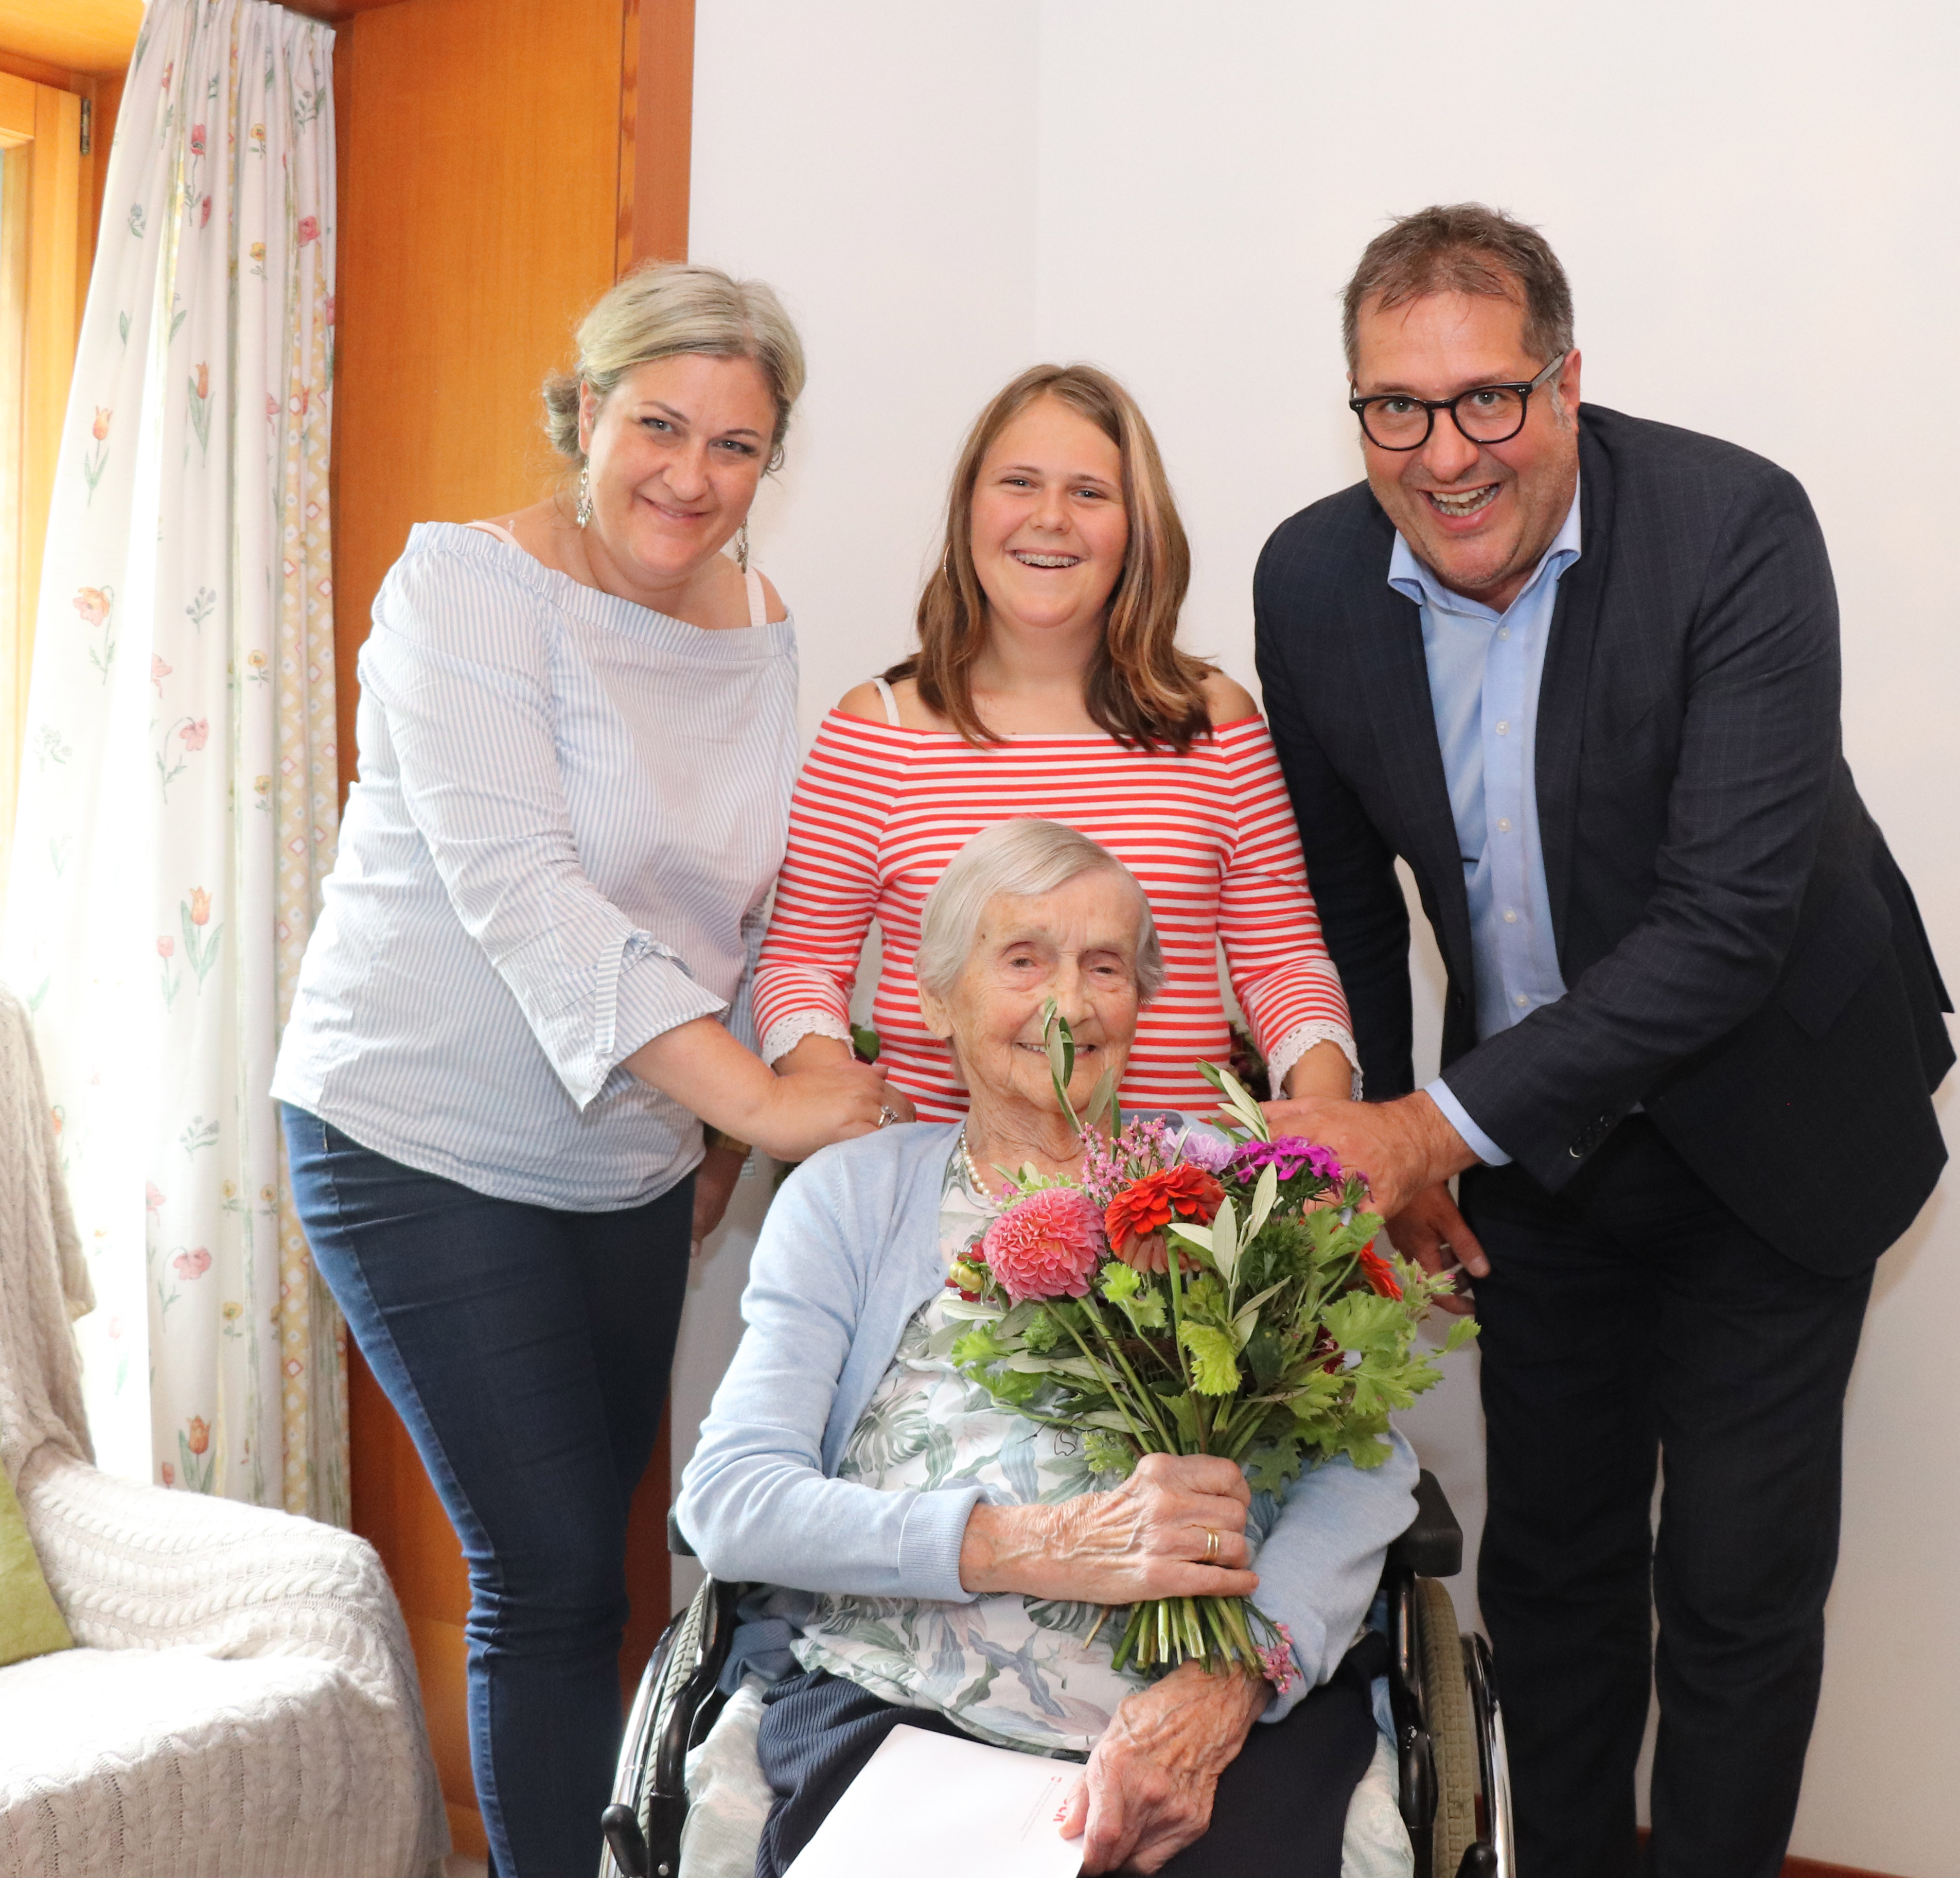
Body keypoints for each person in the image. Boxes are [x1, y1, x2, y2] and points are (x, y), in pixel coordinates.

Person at [1252, 205, 1955, 1877]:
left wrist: (1429, 1127)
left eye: (1488, 397)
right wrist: (1392, 1146)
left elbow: (1723, 927)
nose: (1446, 453)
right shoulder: (1309, 577)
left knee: (1734, 1587)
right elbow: (1343, 900)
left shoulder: (1732, 527)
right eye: (1397, 408)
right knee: (1552, 1573)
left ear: (1566, 383)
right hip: (1535, 1155)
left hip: (1775, 1124)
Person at [272, 261, 906, 1878]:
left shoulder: (754, 622)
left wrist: (718, 1140)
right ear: (584, 413)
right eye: (659, 426)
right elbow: (528, 892)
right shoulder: (466, 588)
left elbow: (740, 899)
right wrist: (758, 1101)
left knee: (612, 1559)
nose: (691, 476)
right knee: (547, 1573)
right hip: (416, 1133)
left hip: (626, 1155)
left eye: (737, 445)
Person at [679, 820, 1418, 1878]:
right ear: (937, 999)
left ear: (1140, 1001)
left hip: (1206, 1708)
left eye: (1104, 967)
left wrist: (1231, 1680)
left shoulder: (1235, 1190)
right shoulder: (853, 1194)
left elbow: (1363, 1464)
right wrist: (1031, 1543)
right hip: (904, 1695)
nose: (1069, 1004)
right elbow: (734, 1501)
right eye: (1023, 960)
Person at [751, 363, 1357, 1122]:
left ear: (1137, 527)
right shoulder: (879, 728)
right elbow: (801, 965)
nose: (1050, 517)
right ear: (968, 509)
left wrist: (1325, 1122)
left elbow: (1283, 963)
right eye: (1019, 483)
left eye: (1089, 493)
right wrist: (856, 1121)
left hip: (1174, 1186)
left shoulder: (1215, 723)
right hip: (938, 1176)